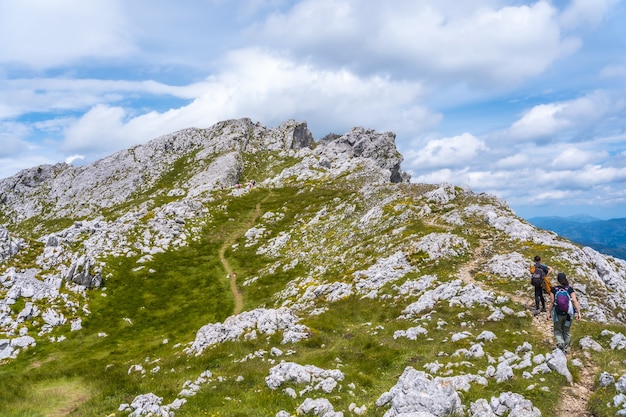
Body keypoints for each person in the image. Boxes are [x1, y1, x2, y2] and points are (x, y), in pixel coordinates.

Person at [547, 272, 581, 353]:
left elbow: (551, 302)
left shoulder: (554, 289)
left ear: (558, 280)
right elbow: (575, 301)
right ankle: (566, 349)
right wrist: (579, 313)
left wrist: (549, 313)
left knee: (557, 330)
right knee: (567, 331)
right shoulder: (569, 289)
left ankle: (560, 342)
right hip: (568, 314)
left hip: (557, 314)